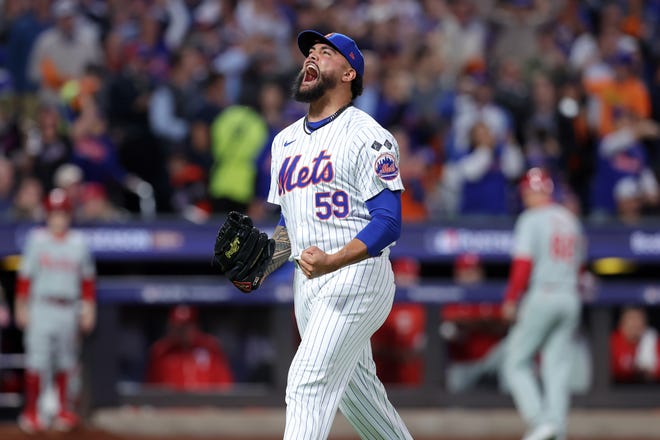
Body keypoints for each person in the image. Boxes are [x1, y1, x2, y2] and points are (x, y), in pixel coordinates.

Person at [257, 30, 413, 439]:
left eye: (325, 52)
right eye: (309, 51)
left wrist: (334, 259)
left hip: (356, 275)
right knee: (360, 400)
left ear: (348, 73)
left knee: (307, 382)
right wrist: (264, 261)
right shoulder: (284, 142)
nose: (312, 56)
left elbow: (388, 221)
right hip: (308, 284)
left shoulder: (367, 134)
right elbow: (293, 225)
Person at [501, 167, 586, 440]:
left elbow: (523, 264)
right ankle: (556, 430)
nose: (525, 196)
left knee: (515, 362)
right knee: (556, 368)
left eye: (527, 191)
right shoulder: (569, 219)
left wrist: (512, 298)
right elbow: (581, 267)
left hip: (544, 294)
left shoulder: (531, 219)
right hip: (570, 296)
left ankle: (540, 422)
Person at [14, 188, 96, 433]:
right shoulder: (37, 240)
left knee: (66, 361)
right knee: (37, 361)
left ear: (69, 215)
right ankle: (32, 412)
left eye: (63, 213)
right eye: (54, 214)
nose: (58, 219)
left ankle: (64, 411)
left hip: (68, 308)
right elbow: (25, 277)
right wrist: (21, 305)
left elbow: (87, 280)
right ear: (47, 215)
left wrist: (89, 308)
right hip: (41, 306)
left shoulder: (78, 243)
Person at [145, 304, 234, 391]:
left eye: (186, 326)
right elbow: (152, 390)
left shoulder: (211, 348)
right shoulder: (161, 351)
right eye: (178, 327)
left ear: (195, 326)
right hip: (173, 404)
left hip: (206, 404)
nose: (182, 331)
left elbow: (225, 386)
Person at [610, 306, 660, 383]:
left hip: (649, 391)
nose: (635, 324)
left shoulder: (652, 340)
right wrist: (634, 371)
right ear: (621, 323)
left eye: (639, 319)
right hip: (617, 390)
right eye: (631, 318)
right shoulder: (612, 342)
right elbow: (611, 371)